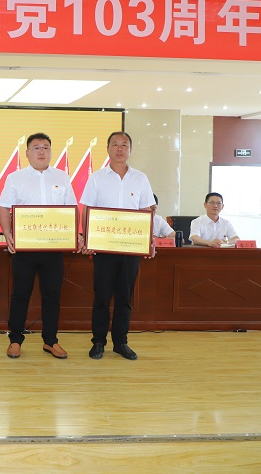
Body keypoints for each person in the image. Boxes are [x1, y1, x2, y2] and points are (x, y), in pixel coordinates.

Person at [0, 133, 77, 360]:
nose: (41, 151)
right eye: (36, 147)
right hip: (24, 249)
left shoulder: (62, 177)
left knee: (52, 295)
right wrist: (7, 234)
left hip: (54, 248)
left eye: (45, 147)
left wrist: (75, 236)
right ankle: (15, 340)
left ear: (51, 152)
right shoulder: (15, 178)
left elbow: (72, 209)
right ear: (27, 153)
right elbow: (3, 208)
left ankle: (50, 341)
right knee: (20, 294)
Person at [80, 131, 154, 361]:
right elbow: (87, 210)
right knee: (102, 297)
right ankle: (98, 342)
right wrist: (87, 238)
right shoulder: (96, 178)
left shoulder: (140, 178)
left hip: (131, 248)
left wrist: (148, 240)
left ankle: (121, 342)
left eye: (124, 145)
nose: (120, 149)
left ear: (130, 150)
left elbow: (147, 211)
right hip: (103, 249)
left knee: (124, 297)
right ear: (108, 149)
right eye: (115, 144)